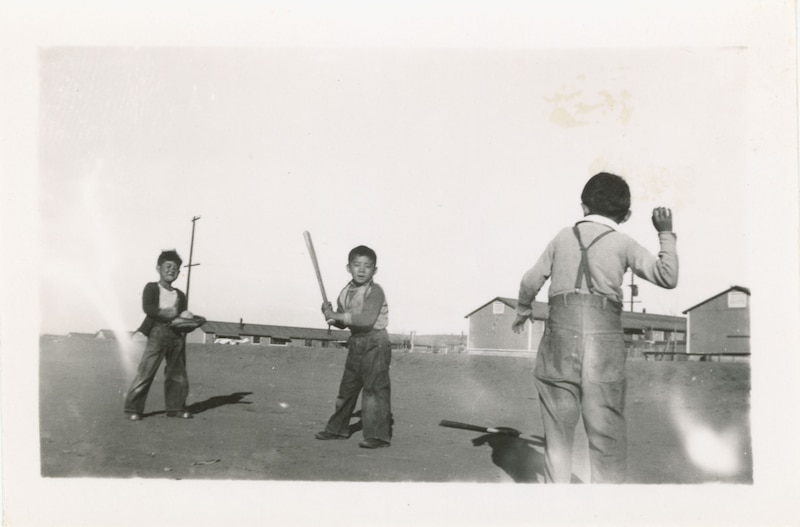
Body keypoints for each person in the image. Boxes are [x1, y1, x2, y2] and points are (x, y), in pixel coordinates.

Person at [511, 172, 678, 483]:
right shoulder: (624, 243)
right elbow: (667, 276)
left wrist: (522, 310)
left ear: (583, 206)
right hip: (604, 341)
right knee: (606, 433)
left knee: (558, 431)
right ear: (625, 215)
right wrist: (665, 234)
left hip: (560, 337)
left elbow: (529, 281)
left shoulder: (563, 237)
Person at [315, 245, 392, 449]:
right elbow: (344, 321)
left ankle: (378, 436)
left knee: (374, 391)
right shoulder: (345, 292)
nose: (361, 269)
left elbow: (366, 319)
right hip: (356, 342)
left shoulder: (375, 291)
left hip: (375, 342)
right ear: (348, 267)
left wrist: (337, 316)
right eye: (356, 265)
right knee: (347, 389)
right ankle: (337, 429)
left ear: (374, 270)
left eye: (367, 266)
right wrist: (330, 315)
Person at [124, 249, 204, 421]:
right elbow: (148, 308)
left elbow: (182, 317)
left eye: (175, 268)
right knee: (146, 372)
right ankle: (133, 408)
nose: (171, 270)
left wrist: (189, 324)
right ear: (158, 268)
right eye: (167, 266)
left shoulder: (180, 295)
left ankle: (176, 408)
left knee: (178, 374)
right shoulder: (152, 287)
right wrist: (165, 314)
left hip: (177, 337)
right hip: (157, 333)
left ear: (179, 272)